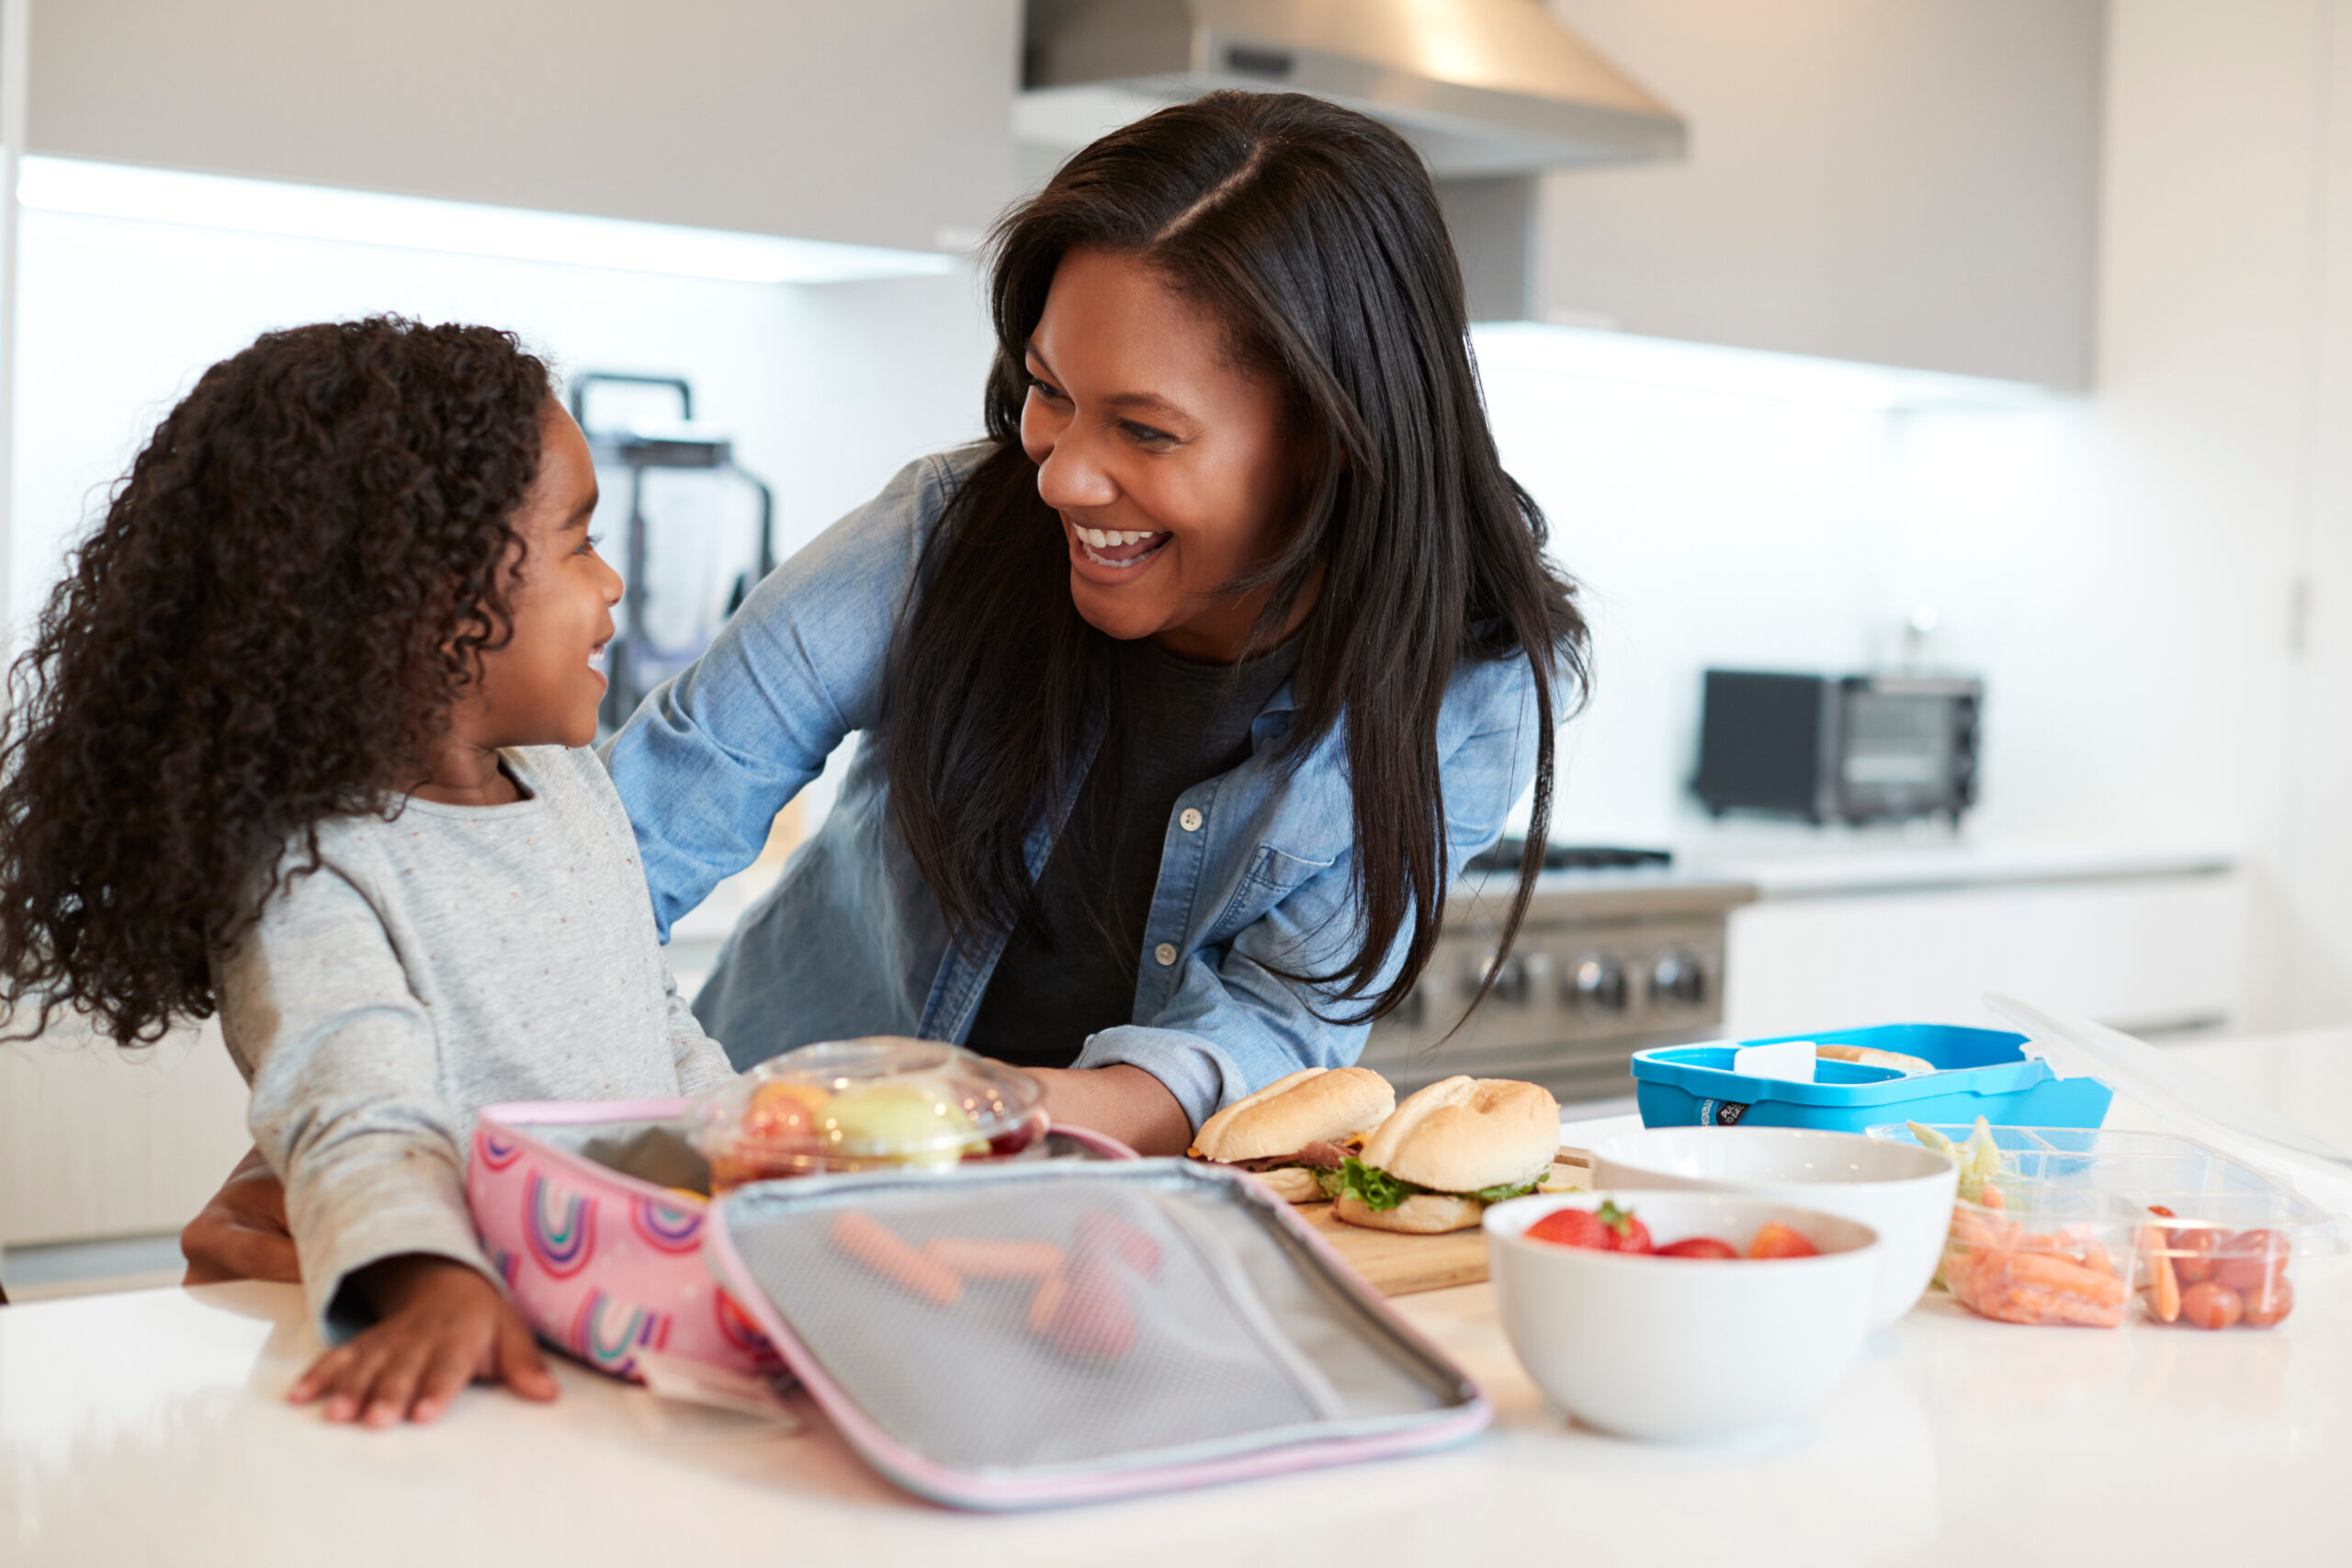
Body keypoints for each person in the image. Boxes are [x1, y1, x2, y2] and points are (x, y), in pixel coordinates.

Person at [176, 89, 1589, 1279]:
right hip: (769, 1192)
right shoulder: (946, 534)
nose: (1063, 474)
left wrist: (989, 1114)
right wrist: (387, 1152)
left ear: (1334, 443)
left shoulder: (1463, 684)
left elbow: (1283, 1023)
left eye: (1146, 430)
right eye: (1047, 390)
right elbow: (657, 810)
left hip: (1110, 1235)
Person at [0, 319, 738, 1423]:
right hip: (466, 1338)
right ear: (434, 602)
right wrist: (428, 1278)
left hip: (637, 1310)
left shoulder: (570, 787)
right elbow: (348, 1105)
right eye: (578, 542)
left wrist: (753, 1141)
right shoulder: (308, 859)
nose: (614, 579)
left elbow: (655, 1018)